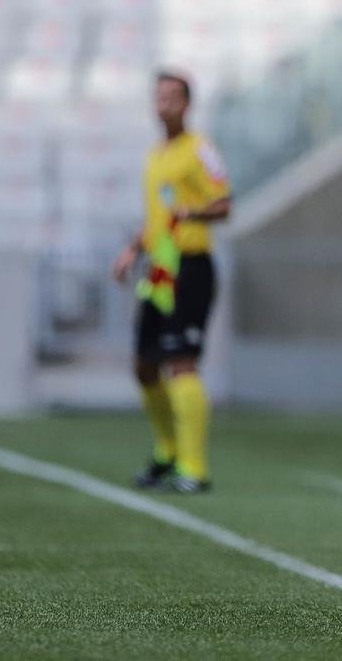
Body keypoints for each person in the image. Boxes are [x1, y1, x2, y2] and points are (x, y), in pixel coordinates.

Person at [113, 71, 231, 494]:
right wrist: (133, 249)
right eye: (158, 97)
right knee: (145, 366)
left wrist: (193, 214)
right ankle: (167, 452)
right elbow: (159, 216)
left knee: (182, 361)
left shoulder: (199, 151)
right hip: (161, 268)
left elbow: (223, 205)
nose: (163, 105)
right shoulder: (155, 156)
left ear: (187, 104)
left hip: (192, 266)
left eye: (171, 98)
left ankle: (193, 468)